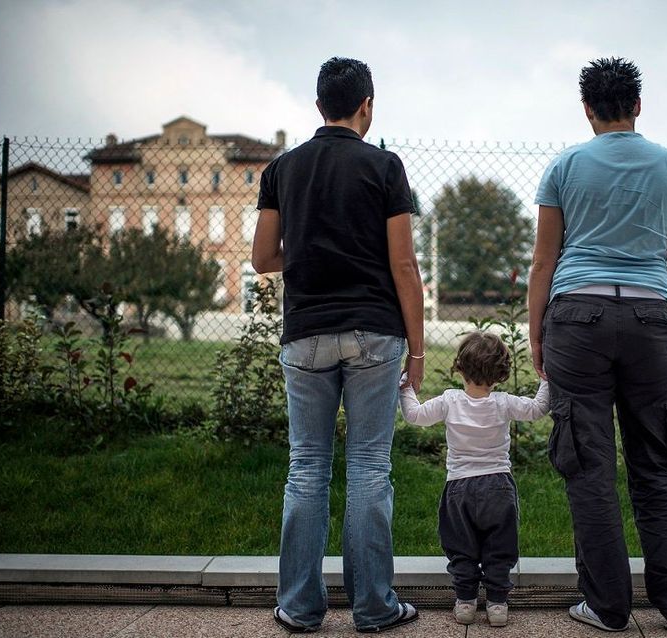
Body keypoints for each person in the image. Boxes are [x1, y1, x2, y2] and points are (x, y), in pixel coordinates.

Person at [527, 57, 667, 633]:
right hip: (651, 316)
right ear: (637, 105)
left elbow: (542, 262)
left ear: (587, 109)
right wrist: (666, 317)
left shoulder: (564, 167)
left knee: (588, 466)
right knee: (659, 462)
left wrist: (538, 333)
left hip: (575, 318)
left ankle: (606, 608)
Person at [252, 56, 425, 634]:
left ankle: (299, 607)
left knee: (306, 468)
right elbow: (403, 264)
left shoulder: (282, 169)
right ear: (366, 105)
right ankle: (375, 608)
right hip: (375, 332)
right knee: (371, 467)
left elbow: (262, 259)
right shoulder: (384, 167)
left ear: (319, 104)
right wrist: (418, 351)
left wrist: (308, 254)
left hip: (304, 335)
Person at [399, 331, 549, 628]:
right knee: (500, 546)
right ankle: (497, 603)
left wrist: (405, 386)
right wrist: (547, 379)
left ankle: (465, 601)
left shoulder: (449, 400)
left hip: (459, 488)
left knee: (461, 546)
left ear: (460, 367)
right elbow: (539, 408)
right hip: (498, 486)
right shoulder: (504, 403)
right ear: (500, 373)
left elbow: (414, 416)